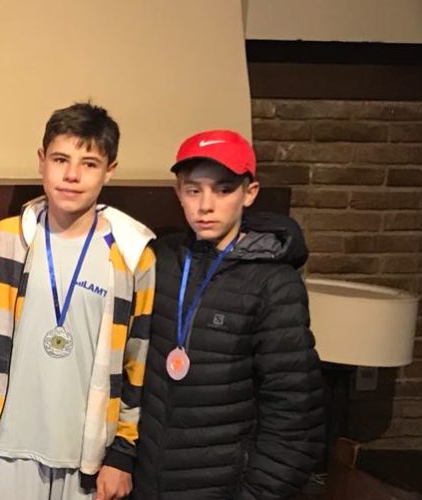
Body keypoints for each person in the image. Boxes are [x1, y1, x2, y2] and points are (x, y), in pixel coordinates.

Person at [0, 103, 155, 500]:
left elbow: (138, 364)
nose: (72, 175)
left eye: (89, 164)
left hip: (87, 456)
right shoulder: (0, 241)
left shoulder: (132, 256)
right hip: (4, 448)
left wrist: (122, 454)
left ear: (110, 170)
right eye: (60, 160)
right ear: (41, 161)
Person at [132, 129, 324, 499]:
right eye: (194, 190)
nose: (206, 205)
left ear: (249, 193)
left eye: (223, 190)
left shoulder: (274, 283)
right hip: (147, 485)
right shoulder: (159, 260)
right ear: (178, 192)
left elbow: (295, 416)